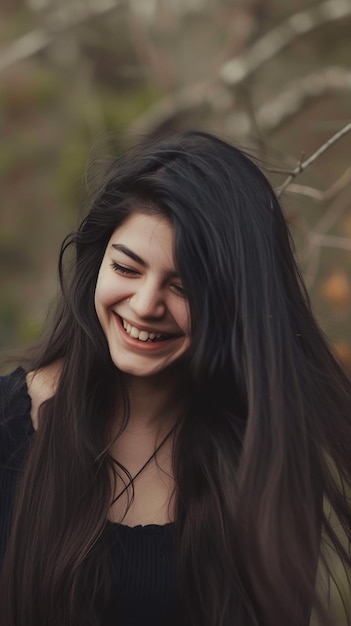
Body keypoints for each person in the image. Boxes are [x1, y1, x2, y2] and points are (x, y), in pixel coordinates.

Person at [0, 130, 350, 626]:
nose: (145, 306)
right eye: (126, 267)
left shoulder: (263, 461)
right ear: (96, 261)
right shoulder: (6, 427)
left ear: (233, 302)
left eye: (182, 285)